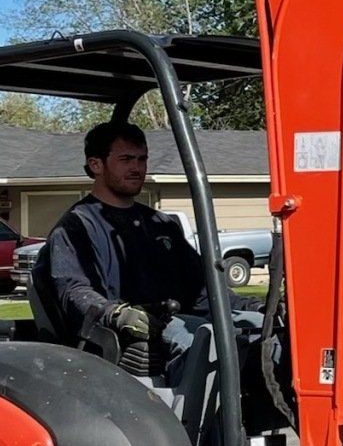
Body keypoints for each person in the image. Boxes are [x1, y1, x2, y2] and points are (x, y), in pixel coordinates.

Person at [35, 120, 212, 414]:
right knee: (201, 340)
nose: (137, 167)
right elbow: (73, 290)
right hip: (122, 336)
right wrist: (116, 314)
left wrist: (255, 308)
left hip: (172, 318)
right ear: (96, 164)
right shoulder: (77, 227)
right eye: (126, 159)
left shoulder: (159, 225)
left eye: (142, 159)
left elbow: (202, 289)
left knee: (253, 331)